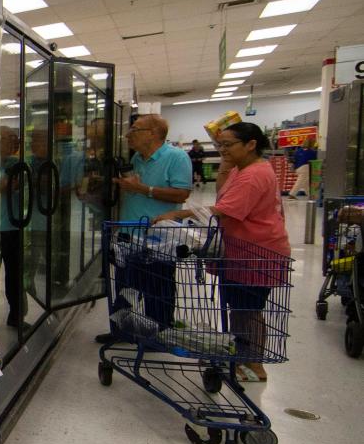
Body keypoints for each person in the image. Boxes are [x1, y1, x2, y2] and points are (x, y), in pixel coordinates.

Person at [154, 122, 291, 382]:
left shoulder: (254, 175)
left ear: (251, 145)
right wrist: (227, 161)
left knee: (248, 309)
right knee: (239, 307)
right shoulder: (244, 169)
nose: (222, 150)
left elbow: (225, 209)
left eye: (228, 145)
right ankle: (241, 357)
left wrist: (177, 213)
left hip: (256, 250)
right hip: (240, 248)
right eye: (220, 145)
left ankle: (255, 364)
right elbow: (221, 193)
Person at [96, 114, 193, 343]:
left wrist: (143, 189)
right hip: (129, 233)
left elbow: (182, 193)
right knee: (125, 284)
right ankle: (122, 330)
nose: (129, 135)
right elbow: (134, 190)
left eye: (135, 129)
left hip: (159, 238)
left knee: (158, 287)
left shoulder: (176, 157)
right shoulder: (137, 159)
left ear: (153, 133)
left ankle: (158, 334)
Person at [0, 126, 26, 328]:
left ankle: (16, 315)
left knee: (13, 274)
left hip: (11, 226)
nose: (10, 142)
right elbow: (0, 186)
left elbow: (10, 186)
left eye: (12, 139)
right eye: (6, 138)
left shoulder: (15, 164)